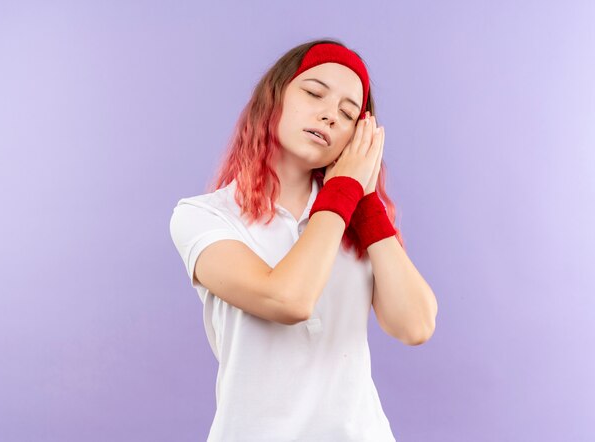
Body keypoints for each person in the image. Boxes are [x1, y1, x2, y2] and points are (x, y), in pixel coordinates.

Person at [170, 38, 436, 441]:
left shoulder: (355, 218)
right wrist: (344, 191)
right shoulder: (202, 216)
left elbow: (415, 325)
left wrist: (362, 203)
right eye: (314, 93)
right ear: (272, 99)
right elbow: (288, 299)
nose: (330, 115)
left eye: (348, 114)